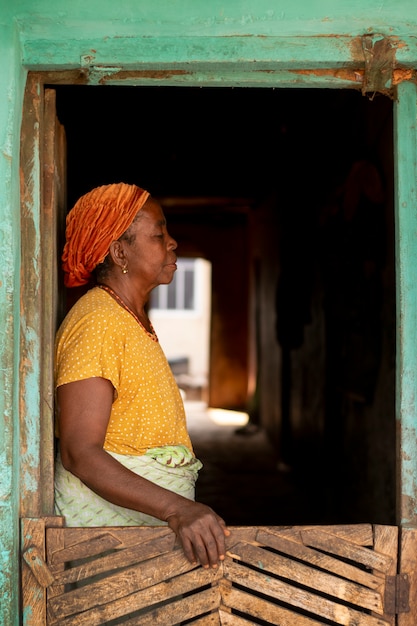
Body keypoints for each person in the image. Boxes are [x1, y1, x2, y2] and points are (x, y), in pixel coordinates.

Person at [54, 182, 229, 569]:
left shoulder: (127, 318)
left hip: (138, 544)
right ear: (119, 253)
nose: (172, 243)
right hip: (110, 549)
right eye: (159, 233)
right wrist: (177, 508)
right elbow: (79, 452)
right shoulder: (98, 322)